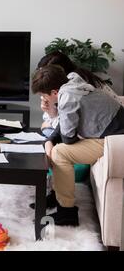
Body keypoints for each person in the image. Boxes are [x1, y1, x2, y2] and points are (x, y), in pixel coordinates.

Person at [31, 65, 124, 226]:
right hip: (112, 135)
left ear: (54, 92)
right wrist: (50, 140)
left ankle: (67, 213)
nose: (45, 100)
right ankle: (58, 193)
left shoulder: (66, 97)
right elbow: (64, 128)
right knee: (57, 148)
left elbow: (68, 138)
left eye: (44, 96)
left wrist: (53, 142)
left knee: (60, 152)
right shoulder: (73, 83)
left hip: (115, 141)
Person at [37, 52, 124, 137]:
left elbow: (68, 129)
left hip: (110, 129)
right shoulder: (73, 79)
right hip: (111, 124)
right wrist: (51, 111)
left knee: (48, 130)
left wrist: (52, 115)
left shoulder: (73, 87)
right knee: (47, 129)